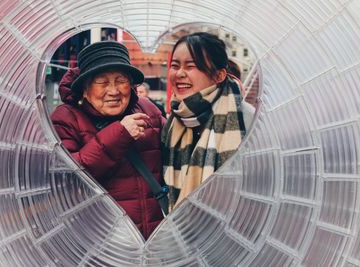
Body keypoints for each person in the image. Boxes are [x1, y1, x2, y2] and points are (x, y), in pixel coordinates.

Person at [51, 41, 166, 239]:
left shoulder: (149, 111)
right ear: (85, 90)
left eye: (120, 80)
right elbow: (66, 178)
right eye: (102, 83)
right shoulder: (66, 118)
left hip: (156, 239)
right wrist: (120, 134)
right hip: (102, 241)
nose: (113, 91)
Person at [162, 32, 248, 209]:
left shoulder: (247, 119)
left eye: (191, 66)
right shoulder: (174, 120)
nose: (179, 73)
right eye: (175, 65)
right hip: (180, 230)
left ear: (219, 75)